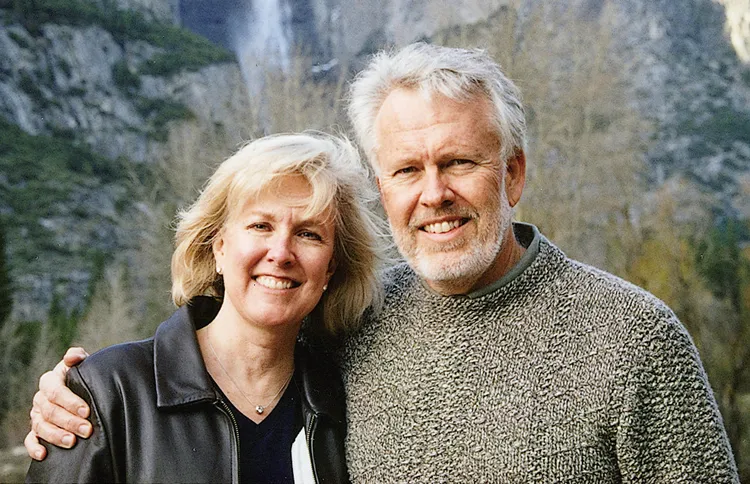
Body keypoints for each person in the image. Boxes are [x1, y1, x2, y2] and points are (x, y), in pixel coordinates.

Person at [26, 43, 739, 482]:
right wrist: (80, 398)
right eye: (406, 170)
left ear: (512, 175)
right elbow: (228, 362)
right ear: (382, 187)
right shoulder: (354, 320)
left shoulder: (633, 339)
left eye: (459, 162)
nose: (435, 195)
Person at [25, 132, 385, 483]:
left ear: (331, 268)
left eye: (309, 234)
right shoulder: (109, 391)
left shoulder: (340, 399)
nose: (280, 253)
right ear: (219, 248)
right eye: (260, 225)